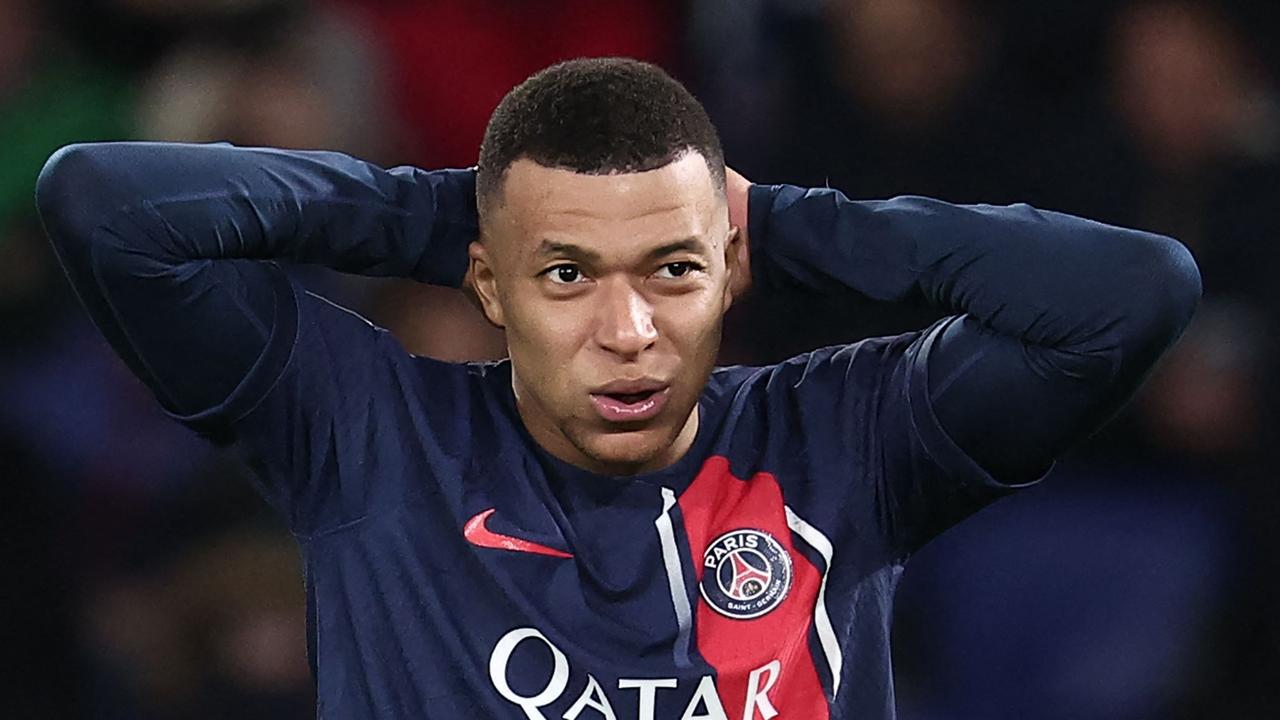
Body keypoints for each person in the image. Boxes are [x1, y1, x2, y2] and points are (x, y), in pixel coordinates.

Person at [35, 57, 1199, 719]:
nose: (626, 331)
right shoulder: (370, 435)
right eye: (565, 276)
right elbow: (106, 206)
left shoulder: (847, 436)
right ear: (486, 285)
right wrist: (457, 211)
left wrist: (781, 218)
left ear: (729, 272)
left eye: (672, 271)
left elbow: (1128, 292)